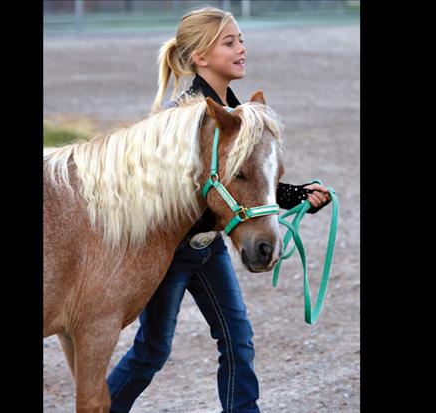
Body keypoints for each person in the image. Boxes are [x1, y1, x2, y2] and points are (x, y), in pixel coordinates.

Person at [107, 7, 331, 413]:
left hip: (207, 248)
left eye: (241, 39)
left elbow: (242, 184)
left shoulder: (235, 112)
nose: (241, 48)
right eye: (229, 42)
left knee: (237, 339)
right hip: (170, 253)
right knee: (151, 352)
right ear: (200, 57)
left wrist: (297, 195)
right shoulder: (182, 119)